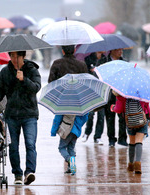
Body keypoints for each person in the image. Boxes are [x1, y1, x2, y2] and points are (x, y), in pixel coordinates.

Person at [0, 50, 41, 185]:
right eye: (12, 56)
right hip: (11, 115)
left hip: (30, 114)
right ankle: (17, 174)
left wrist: (24, 80)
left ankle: (29, 172)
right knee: (13, 146)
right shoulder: (5, 72)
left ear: (23, 56)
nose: (15, 59)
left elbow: (36, 87)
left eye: (18, 56)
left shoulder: (32, 70)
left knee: (30, 144)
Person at [48, 45, 88, 173]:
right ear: (75, 50)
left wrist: (53, 131)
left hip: (63, 102)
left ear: (62, 50)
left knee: (63, 147)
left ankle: (71, 163)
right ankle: (73, 167)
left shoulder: (57, 64)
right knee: (71, 148)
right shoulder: (81, 65)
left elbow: (51, 84)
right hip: (78, 105)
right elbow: (86, 82)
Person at [110, 91, 150, 174]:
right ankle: (138, 165)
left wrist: (113, 107)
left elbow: (119, 110)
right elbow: (147, 106)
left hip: (130, 121)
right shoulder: (142, 93)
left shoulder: (123, 95)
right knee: (139, 141)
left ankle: (131, 165)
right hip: (142, 120)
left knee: (132, 142)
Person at [97, 48, 128, 147]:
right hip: (108, 94)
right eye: (118, 50)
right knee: (110, 118)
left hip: (120, 94)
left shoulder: (124, 63)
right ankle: (111, 139)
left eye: (121, 50)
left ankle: (122, 138)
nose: (121, 52)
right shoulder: (103, 62)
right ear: (112, 51)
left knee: (122, 117)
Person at [81, 51, 106, 145]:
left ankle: (98, 136)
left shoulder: (105, 60)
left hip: (101, 90)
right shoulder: (88, 59)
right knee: (90, 114)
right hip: (90, 90)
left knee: (101, 115)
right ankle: (87, 132)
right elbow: (84, 74)